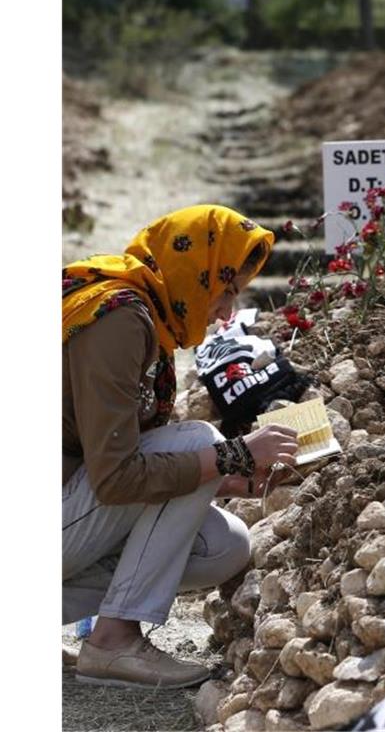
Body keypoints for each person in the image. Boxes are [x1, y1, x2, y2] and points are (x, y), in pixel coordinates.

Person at [62, 205, 300, 688]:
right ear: (196, 270)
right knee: (200, 440)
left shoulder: (148, 315)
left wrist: (227, 477)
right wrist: (226, 455)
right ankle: (114, 641)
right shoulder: (119, 321)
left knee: (224, 546)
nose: (228, 311)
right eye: (226, 289)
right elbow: (114, 479)